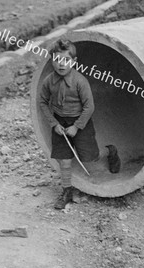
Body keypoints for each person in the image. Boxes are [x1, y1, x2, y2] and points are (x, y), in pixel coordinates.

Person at [39, 38, 120, 210]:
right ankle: (67, 191)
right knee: (64, 160)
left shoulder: (79, 81)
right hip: (60, 123)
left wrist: (77, 126)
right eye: (57, 59)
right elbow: (43, 102)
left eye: (66, 60)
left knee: (90, 157)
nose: (61, 64)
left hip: (79, 122)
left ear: (74, 62)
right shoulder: (48, 81)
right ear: (52, 60)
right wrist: (54, 124)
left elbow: (89, 106)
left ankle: (110, 151)